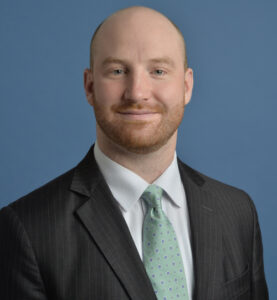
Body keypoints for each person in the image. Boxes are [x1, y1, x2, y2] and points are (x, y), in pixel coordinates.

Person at [0, 6, 268, 300]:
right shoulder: (27, 229)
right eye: (117, 71)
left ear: (186, 86)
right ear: (90, 87)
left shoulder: (237, 212)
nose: (137, 92)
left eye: (158, 71)